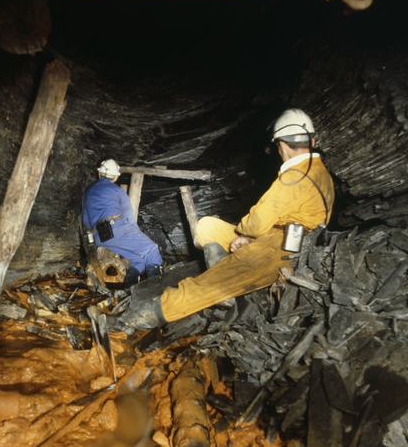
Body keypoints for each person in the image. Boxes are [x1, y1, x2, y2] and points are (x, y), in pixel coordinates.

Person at [121, 108, 334, 328]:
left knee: (211, 284)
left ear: (281, 145)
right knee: (208, 226)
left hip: (285, 248)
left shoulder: (293, 177)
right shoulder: (319, 171)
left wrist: (245, 235)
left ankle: (145, 315)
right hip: (278, 234)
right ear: (312, 140)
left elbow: (257, 222)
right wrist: (247, 236)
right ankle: (223, 268)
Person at [82, 158, 164, 286]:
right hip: (116, 230)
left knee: (138, 260)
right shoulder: (117, 191)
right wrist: (134, 234)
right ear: (115, 177)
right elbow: (129, 217)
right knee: (151, 250)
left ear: (99, 173)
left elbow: (86, 220)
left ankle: (128, 289)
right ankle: (155, 291)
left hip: (100, 237)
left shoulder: (88, 192)